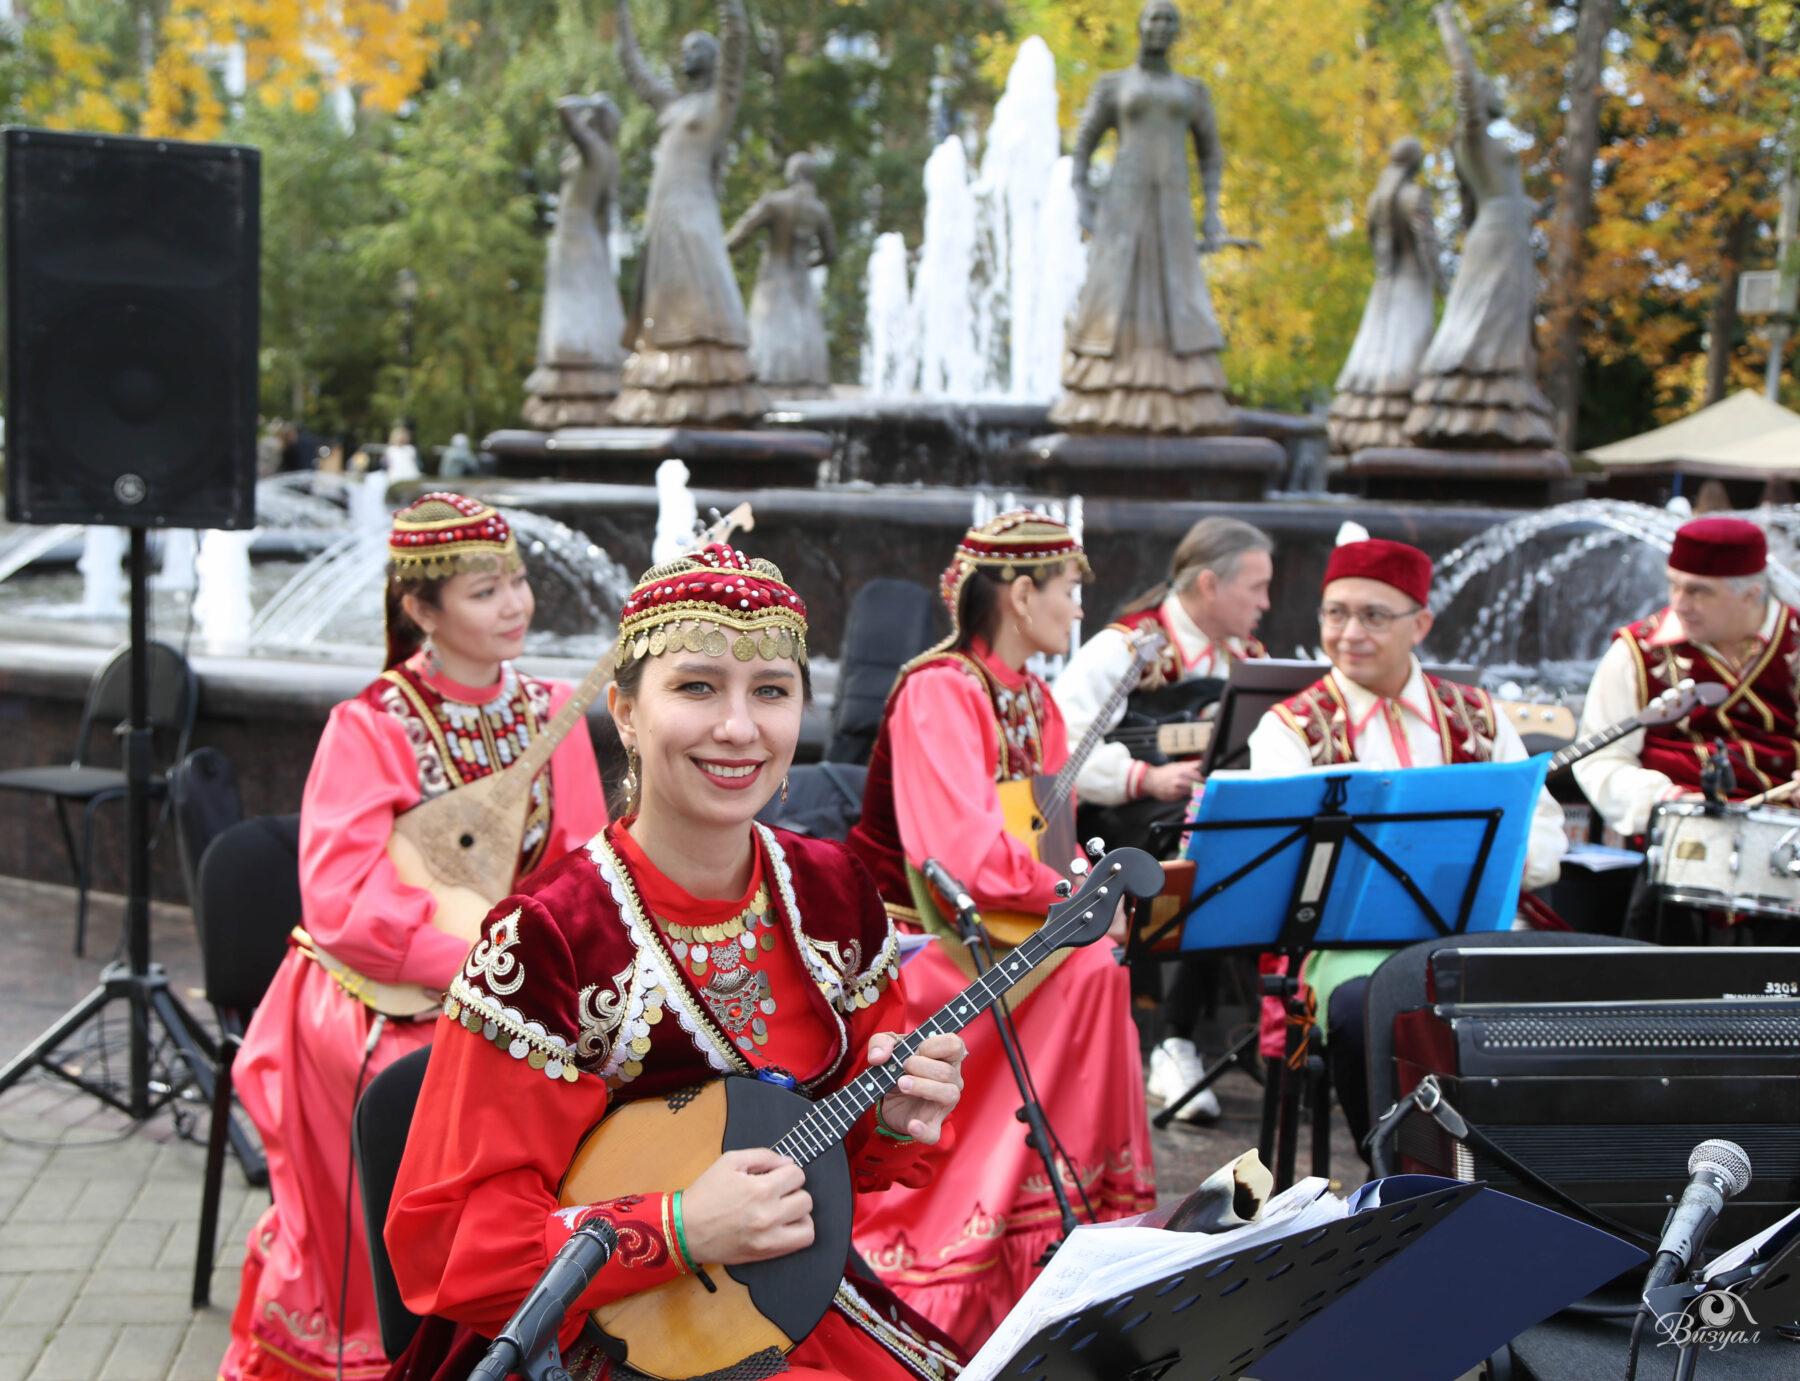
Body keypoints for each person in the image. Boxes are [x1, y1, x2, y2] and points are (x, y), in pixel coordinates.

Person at [382, 542, 965, 1381]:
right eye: (696, 686)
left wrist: (893, 1113)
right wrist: (681, 1224)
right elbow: (453, 1247)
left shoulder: (833, 895)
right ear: (624, 710)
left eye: (771, 691)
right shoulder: (547, 939)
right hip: (584, 1340)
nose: (738, 726)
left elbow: (830, 1158)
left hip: (763, 1303)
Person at [219, 493, 610, 1381]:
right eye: (484, 591)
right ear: (420, 609)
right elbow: (343, 904)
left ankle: (531, 1313)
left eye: (517, 581)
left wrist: (547, 968)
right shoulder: (371, 724)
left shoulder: (553, 710)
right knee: (416, 1066)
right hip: (372, 988)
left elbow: (581, 874)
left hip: (507, 975)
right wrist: (483, 968)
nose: (515, 604)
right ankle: (377, 1339)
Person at [847, 512, 1156, 1351]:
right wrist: (1078, 890)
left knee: (1101, 958)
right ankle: (983, 1235)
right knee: (1092, 969)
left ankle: (1070, 1221)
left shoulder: (1036, 701)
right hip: (910, 937)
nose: (1077, 609)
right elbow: (958, 856)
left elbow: (1044, 847)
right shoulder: (941, 686)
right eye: (1069, 590)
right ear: (1022, 595)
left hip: (993, 924)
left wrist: (1082, 893)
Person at [1244, 537, 1565, 1149]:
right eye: (1335, 613)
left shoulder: (1479, 716)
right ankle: (1395, 1168)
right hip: (1347, 942)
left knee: (1554, 995)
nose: (1348, 633)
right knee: (1364, 1006)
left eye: (1373, 616)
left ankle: (1519, 1171)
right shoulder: (1289, 729)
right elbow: (1284, 867)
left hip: (1477, 930)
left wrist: (1505, 865)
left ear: (1420, 624)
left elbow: (1543, 827)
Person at [1052, 516, 1272, 1123]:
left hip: (1202, 817)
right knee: (1203, 837)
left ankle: (1274, 1027)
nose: (1266, 603)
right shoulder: (1128, 648)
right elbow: (1062, 743)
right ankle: (1172, 1041)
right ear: (1209, 584)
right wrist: (1143, 778)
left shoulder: (1250, 660)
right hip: (1120, 824)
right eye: (1255, 587)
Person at [1572, 516, 1800, 940]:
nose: (1679, 602)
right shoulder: (1635, 653)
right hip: (1676, 871)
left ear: (1752, 593)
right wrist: (1662, 800)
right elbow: (1600, 759)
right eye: (1674, 584)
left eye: (1698, 590)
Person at [1050, 0, 1234, 434]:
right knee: (1116, 290)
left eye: (1169, 21)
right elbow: (1083, 146)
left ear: (1176, 32)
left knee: (1177, 291)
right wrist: (1083, 197)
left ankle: (1183, 401)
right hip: (1123, 204)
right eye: (1153, 18)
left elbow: (1211, 155)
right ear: (1140, 26)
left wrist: (1212, 213)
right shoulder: (1114, 86)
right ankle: (1103, 394)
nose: (1160, 27)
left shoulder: (1191, 91)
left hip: (1172, 206)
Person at [610, 0, 769, 426]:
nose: (686, 54)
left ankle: (715, 399)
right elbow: (633, 67)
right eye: (684, 48)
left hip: (695, 211)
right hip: (661, 216)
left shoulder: (720, 102)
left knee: (703, 298)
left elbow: (737, 38)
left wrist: (731, 11)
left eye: (696, 47)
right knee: (660, 313)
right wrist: (621, 13)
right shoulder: (671, 107)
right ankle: (661, 397)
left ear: (713, 58)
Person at [726, 151, 838, 397]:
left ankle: (768, 382)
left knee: (768, 330)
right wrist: (808, 264)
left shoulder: (774, 203)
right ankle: (808, 383)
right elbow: (831, 254)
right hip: (801, 282)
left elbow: (738, 236)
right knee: (804, 330)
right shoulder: (819, 210)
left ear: (793, 173)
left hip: (773, 279)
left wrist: (716, 250)